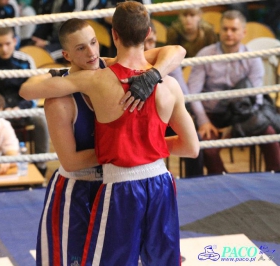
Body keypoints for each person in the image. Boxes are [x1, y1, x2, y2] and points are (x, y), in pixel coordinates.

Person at [20, 2, 199, 264]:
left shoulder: (97, 78)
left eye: (93, 42)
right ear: (148, 32)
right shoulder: (168, 84)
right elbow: (192, 148)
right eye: (81, 47)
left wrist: (129, 150)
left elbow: (176, 51)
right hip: (146, 181)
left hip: (120, 183)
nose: (92, 52)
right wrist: (143, 148)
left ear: (112, 35)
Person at [187, 10, 280, 174]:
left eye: (234, 29)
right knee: (208, 149)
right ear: (219, 30)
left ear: (244, 32)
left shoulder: (254, 57)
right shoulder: (205, 55)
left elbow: (256, 98)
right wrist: (203, 121)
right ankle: (225, 185)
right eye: (225, 29)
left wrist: (236, 127)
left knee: (270, 134)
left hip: (243, 116)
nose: (229, 33)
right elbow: (193, 94)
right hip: (212, 116)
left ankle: (274, 182)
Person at [0, 27, 49, 176]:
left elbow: (34, 91)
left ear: (15, 41)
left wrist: (19, 108)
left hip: (22, 108)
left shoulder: (25, 61)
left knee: (41, 119)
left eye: (8, 43)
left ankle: (41, 166)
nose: (4, 49)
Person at [146, 22, 204, 177]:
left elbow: (183, 96)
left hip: (165, 117)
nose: (147, 47)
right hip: (141, 121)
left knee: (194, 140)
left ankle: (195, 182)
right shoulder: (127, 62)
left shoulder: (169, 61)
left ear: (156, 39)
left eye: (151, 41)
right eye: (144, 42)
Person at [28, 0, 107, 62]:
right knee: (27, 48)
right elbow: (47, 19)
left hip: (69, 43)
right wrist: (38, 38)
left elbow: (74, 30)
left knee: (42, 55)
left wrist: (47, 43)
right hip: (53, 38)